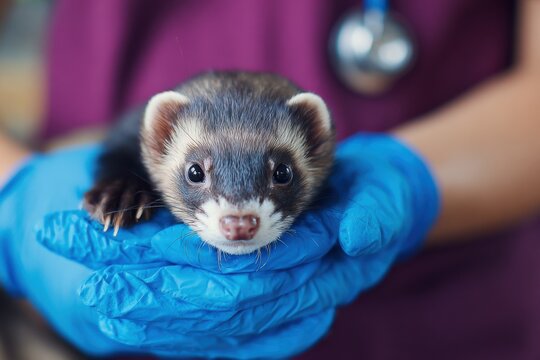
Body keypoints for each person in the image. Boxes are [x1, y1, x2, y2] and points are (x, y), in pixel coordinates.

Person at [0, 0, 539, 359]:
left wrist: (417, 183)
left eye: (280, 174)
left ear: (316, 142)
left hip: (439, 324)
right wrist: (11, 198)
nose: (236, 214)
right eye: (197, 174)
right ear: (160, 140)